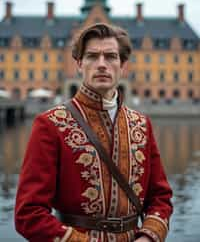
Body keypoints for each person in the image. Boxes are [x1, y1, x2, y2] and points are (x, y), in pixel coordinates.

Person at [15, 23, 173, 242]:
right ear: (79, 64)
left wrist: (148, 237)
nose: (101, 65)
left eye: (110, 56)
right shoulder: (50, 124)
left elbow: (160, 198)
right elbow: (28, 214)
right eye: (92, 56)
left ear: (123, 65)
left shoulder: (141, 124)